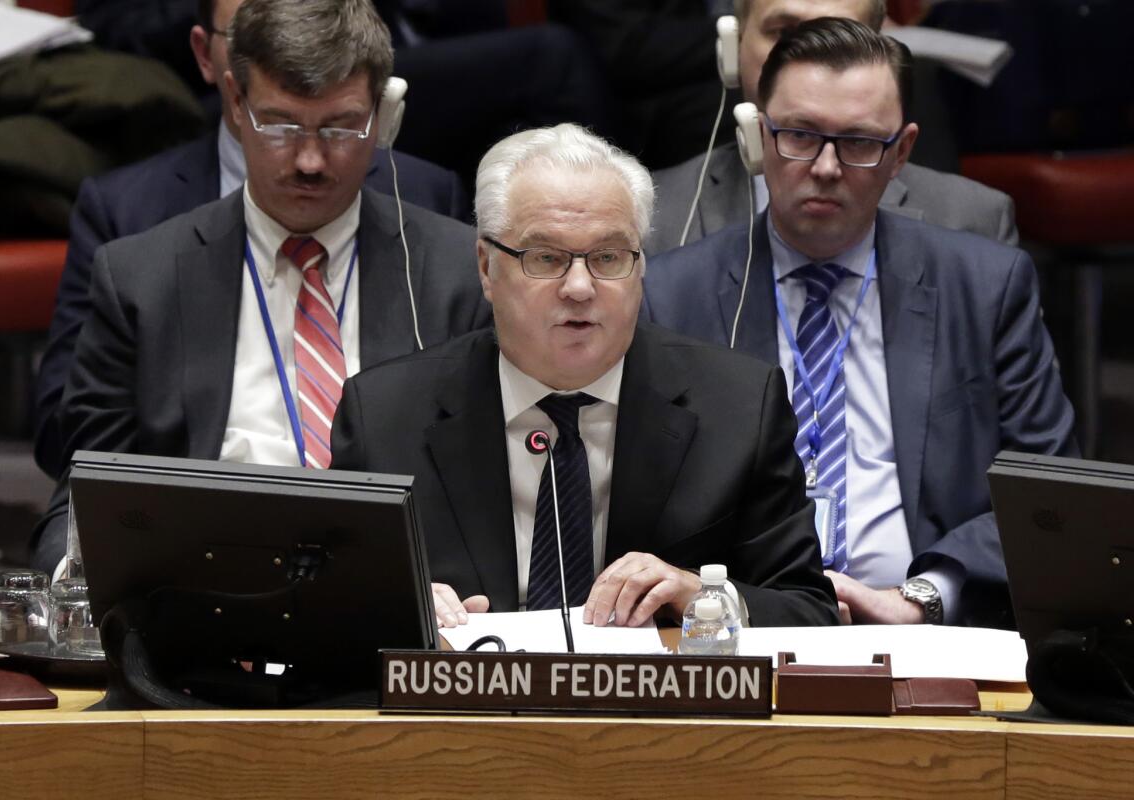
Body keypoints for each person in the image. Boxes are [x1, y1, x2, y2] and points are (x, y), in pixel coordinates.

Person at [644, 18, 1077, 627]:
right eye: (799, 134)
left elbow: (1049, 494)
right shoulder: (670, 293)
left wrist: (923, 598)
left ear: (901, 152)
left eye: (857, 143)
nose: (824, 167)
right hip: (739, 628)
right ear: (758, 137)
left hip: (927, 628)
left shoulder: (984, 287)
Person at [29, 0, 489, 573]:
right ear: (236, 103)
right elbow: (86, 493)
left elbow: (490, 496)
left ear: (383, 115)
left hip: (399, 584)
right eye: (281, 124)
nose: (311, 160)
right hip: (198, 578)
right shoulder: (140, 278)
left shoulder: (460, 275)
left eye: (343, 127)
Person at [328, 123, 839, 630]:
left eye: (608, 257)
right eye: (546, 258)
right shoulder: (384, 417)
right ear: (486, 268)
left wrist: (701, 596)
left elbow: (807, 610)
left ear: (640, 267)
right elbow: (329, 608)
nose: (579, 287)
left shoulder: (739, 407)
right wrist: (394, 605)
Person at [644, 0, 1016, 255]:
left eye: (839, 38)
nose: (808, 64)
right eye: (784, 33)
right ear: (733, 50)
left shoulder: (971, 222)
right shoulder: (648, 215)